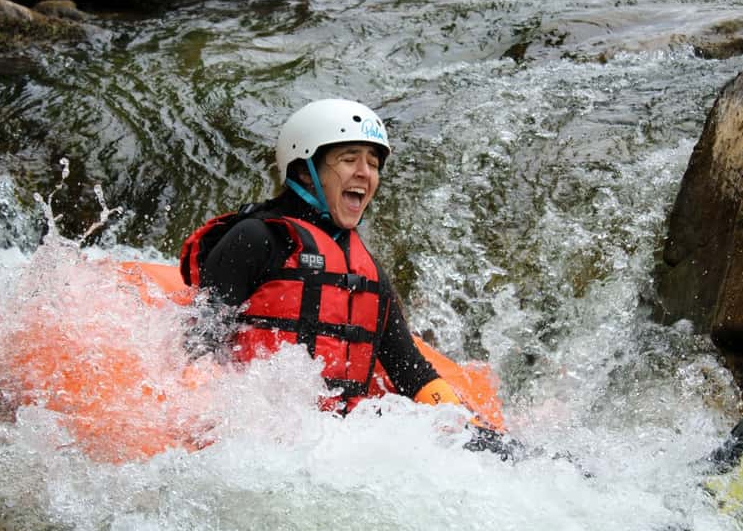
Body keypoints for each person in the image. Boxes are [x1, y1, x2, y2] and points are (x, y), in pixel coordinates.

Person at [179, 98, 518, 458]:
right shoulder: (256, 238)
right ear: (305, 170)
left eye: (373, 163)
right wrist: (204, 413)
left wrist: (473, 428)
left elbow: (410, 371)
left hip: (338, 445)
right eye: (348, 158)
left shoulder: (365, 269)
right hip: (258, 433)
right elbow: (201, 339)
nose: (365, 173)